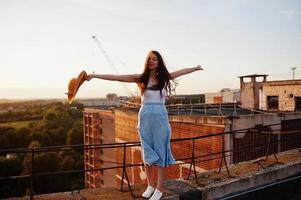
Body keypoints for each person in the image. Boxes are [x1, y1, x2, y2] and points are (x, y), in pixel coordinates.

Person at [86, 50, 203, 200]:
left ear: (159, 62)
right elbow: (116, 77)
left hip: (160, 118)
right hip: (145, 117)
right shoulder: (140, 78)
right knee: (147, 153)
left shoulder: (164, 78)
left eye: (155, 59)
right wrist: (95, 75)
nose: (152, 61)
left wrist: (194, 68)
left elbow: (181, 72)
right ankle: (150, 185)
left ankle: (159, 189)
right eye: (150, 59)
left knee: (161, 152)